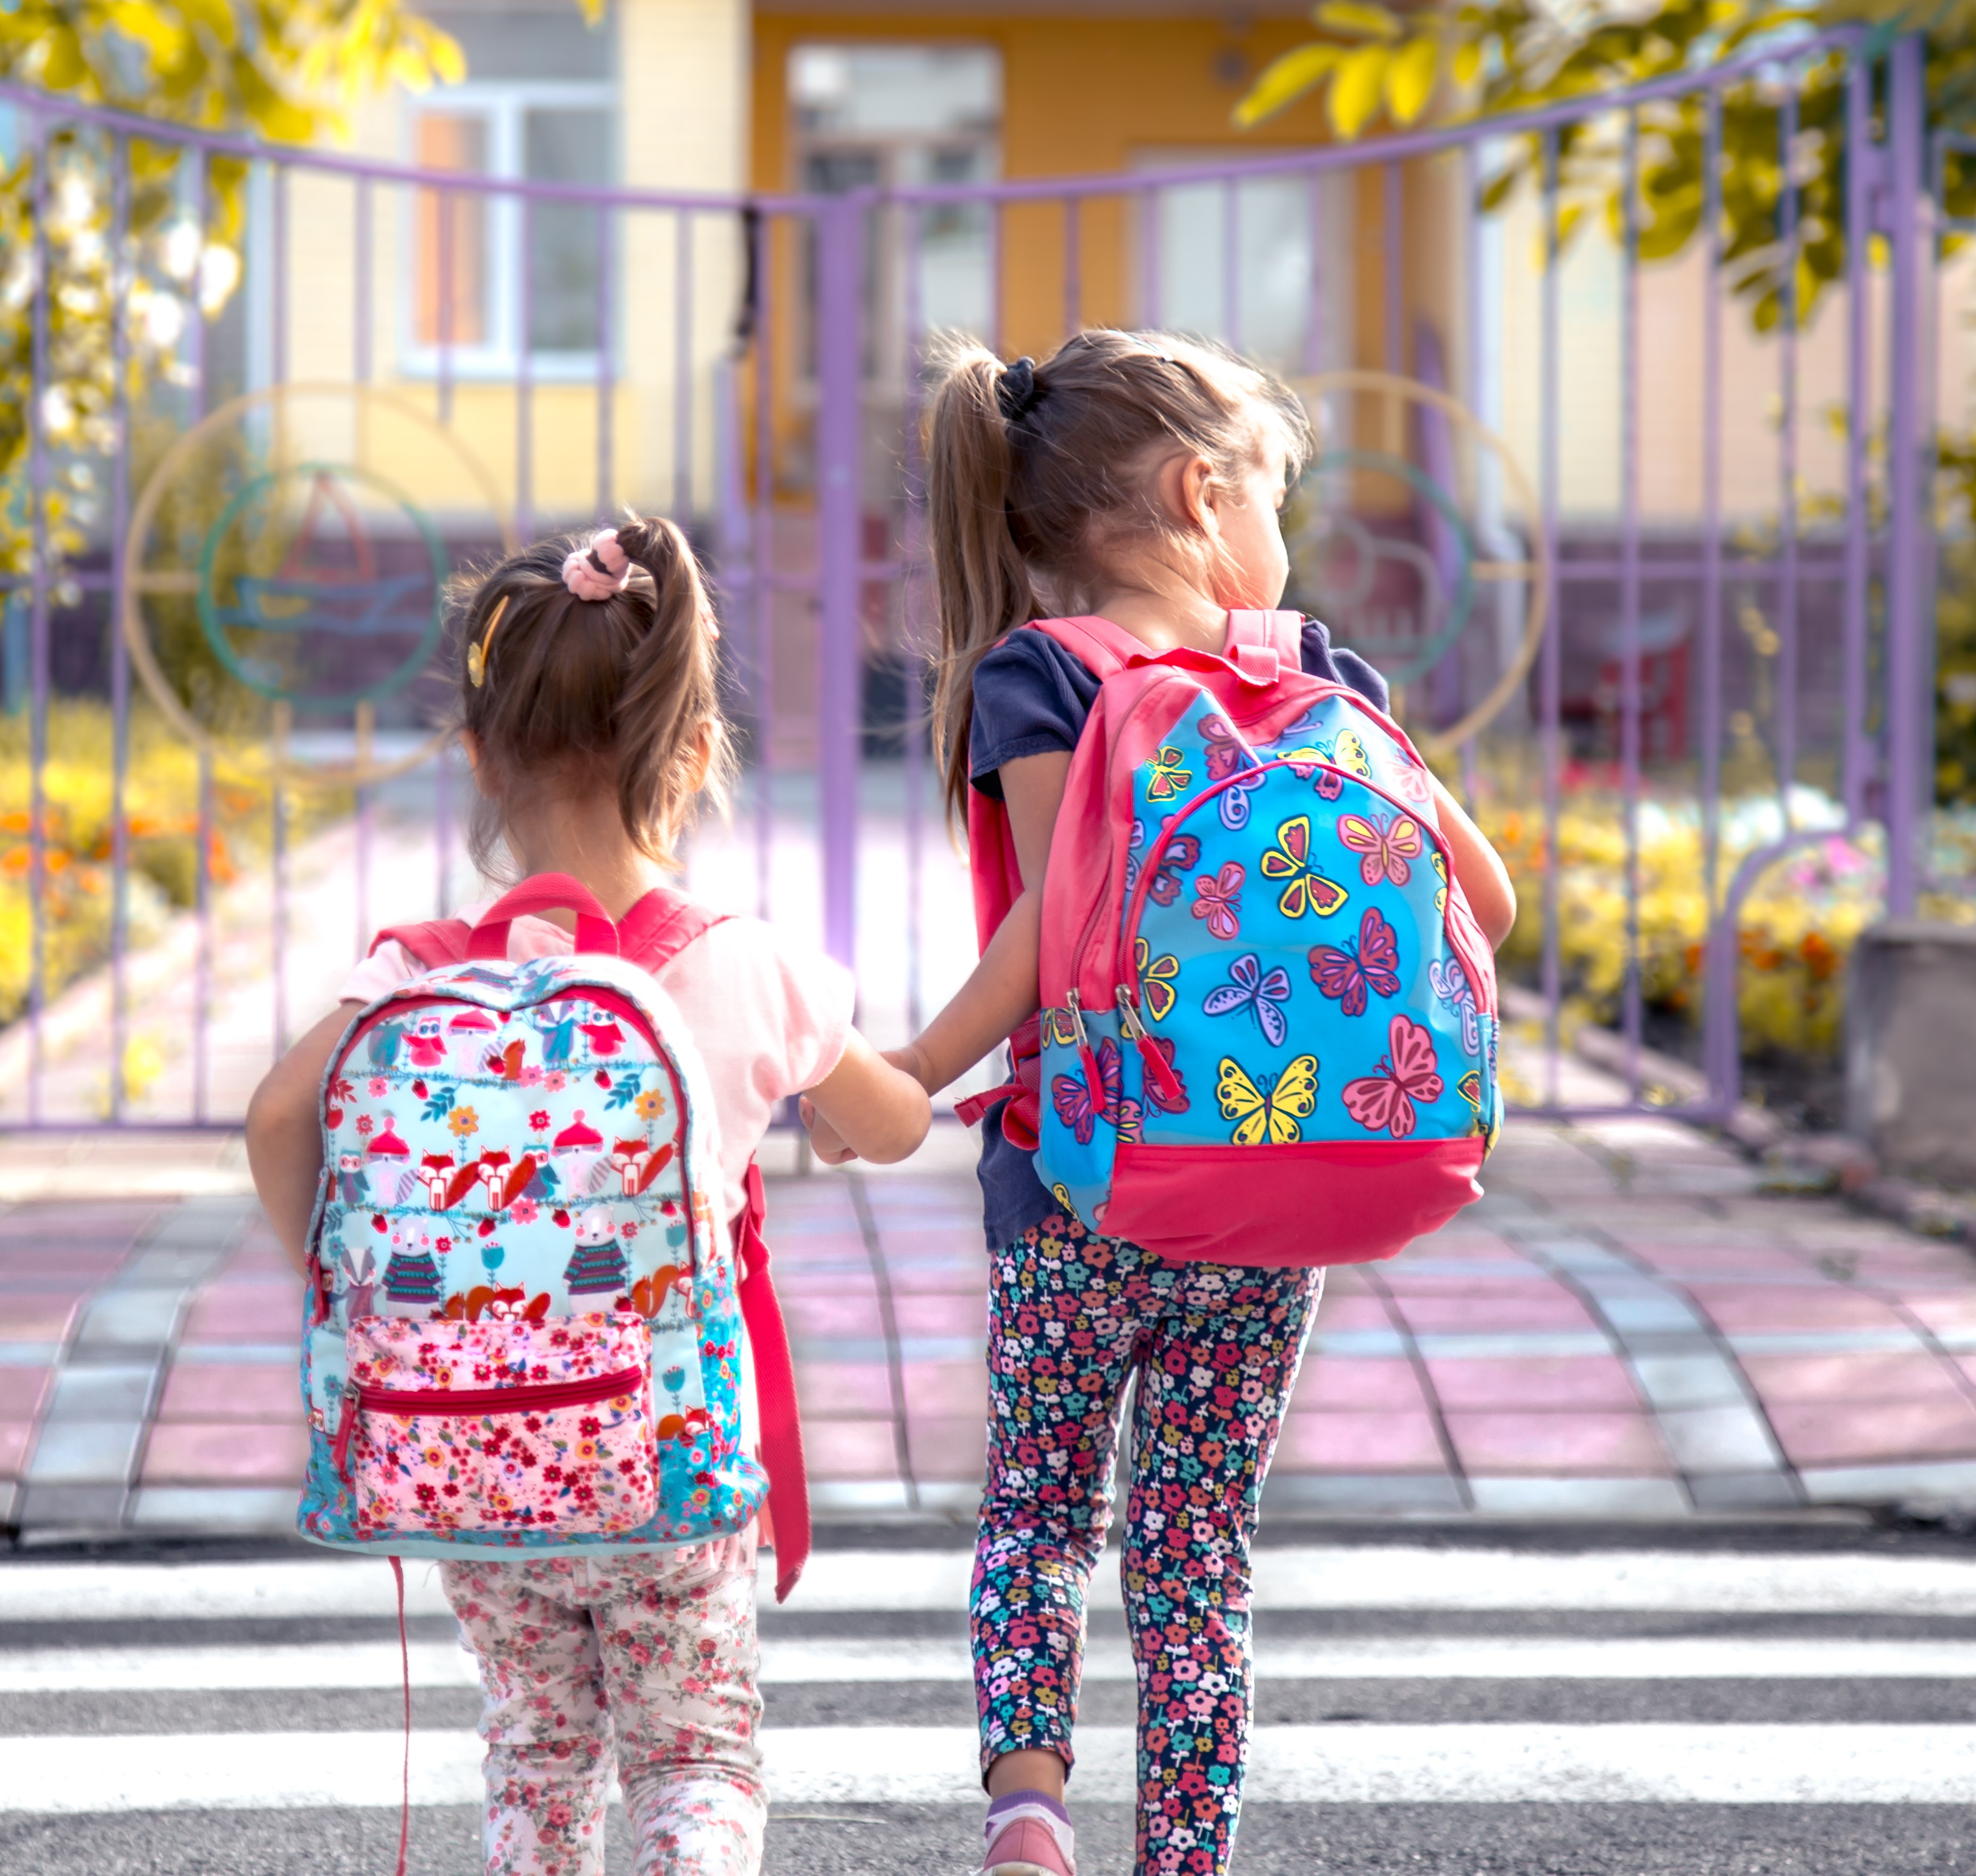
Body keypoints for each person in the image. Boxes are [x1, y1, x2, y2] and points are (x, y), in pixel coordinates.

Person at [867, 331, 1518, 1876]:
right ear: (1199, 490)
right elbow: (1481, 897)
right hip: (1285, 1172)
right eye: (1276, 495)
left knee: (1039, 1507)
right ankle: (1186, 1853)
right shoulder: (1324, 680)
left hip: (1082, 1178)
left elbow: (1052, 929)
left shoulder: (1041, 677)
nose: (1281, 534)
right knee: (1198, 1541)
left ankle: (1029, 1810)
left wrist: (905, 1075)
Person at [246, 516, 933, 1876]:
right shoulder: (745, 966)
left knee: (538, 1754)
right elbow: (895, 1124)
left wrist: (356, 1298)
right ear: (692, 754)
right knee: (694, 1757)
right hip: (668, 1452)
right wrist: (858, 1095)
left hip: (474, 1457)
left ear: (480, 760)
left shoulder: (416, 975)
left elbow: (279, 1122)